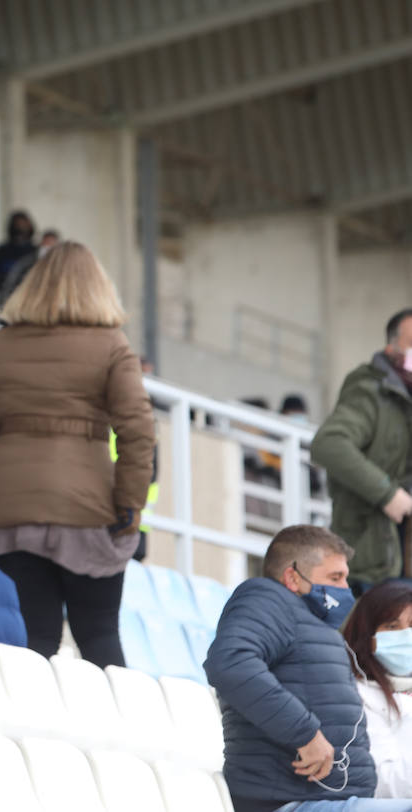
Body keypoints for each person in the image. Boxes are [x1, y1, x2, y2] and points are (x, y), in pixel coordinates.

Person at [0, 241, 154, 668]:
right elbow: (138, 430)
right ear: (99, 288)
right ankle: (113, 731)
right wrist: (130, 506)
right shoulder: (113, 346)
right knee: (98, 636)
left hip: (11, 511)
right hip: (89, 510)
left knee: (33, 640)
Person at [204, 525, 401, 812]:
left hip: (336, 799)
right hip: (291, 800)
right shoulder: (266, 599)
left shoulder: (313, 623)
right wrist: (305, 734)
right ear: (292, 577)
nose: (346, 590)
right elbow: (231, 662)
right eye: (335, 578)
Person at [312, 308, 412, 593]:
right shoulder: (371, 391)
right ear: (391, 346)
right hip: (376, 557)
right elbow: (329, 444)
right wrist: (387, 493)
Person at [343, 580, 412, 799]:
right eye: (392, 627)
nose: (406, 635)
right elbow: (381, 782)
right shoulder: (357, 695)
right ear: (368, 635)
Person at [0, 210, 37, 302]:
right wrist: (7, 278)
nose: (21, 228)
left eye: (23, 225)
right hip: (6, 300)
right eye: (18, 225)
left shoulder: (34, 252)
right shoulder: (2, 251)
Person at [0, 228, 59, 303]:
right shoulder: (27, 261)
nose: (47, 246)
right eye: (46, 242)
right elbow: (12, 280)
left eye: (51, 243)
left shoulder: (61, 264)